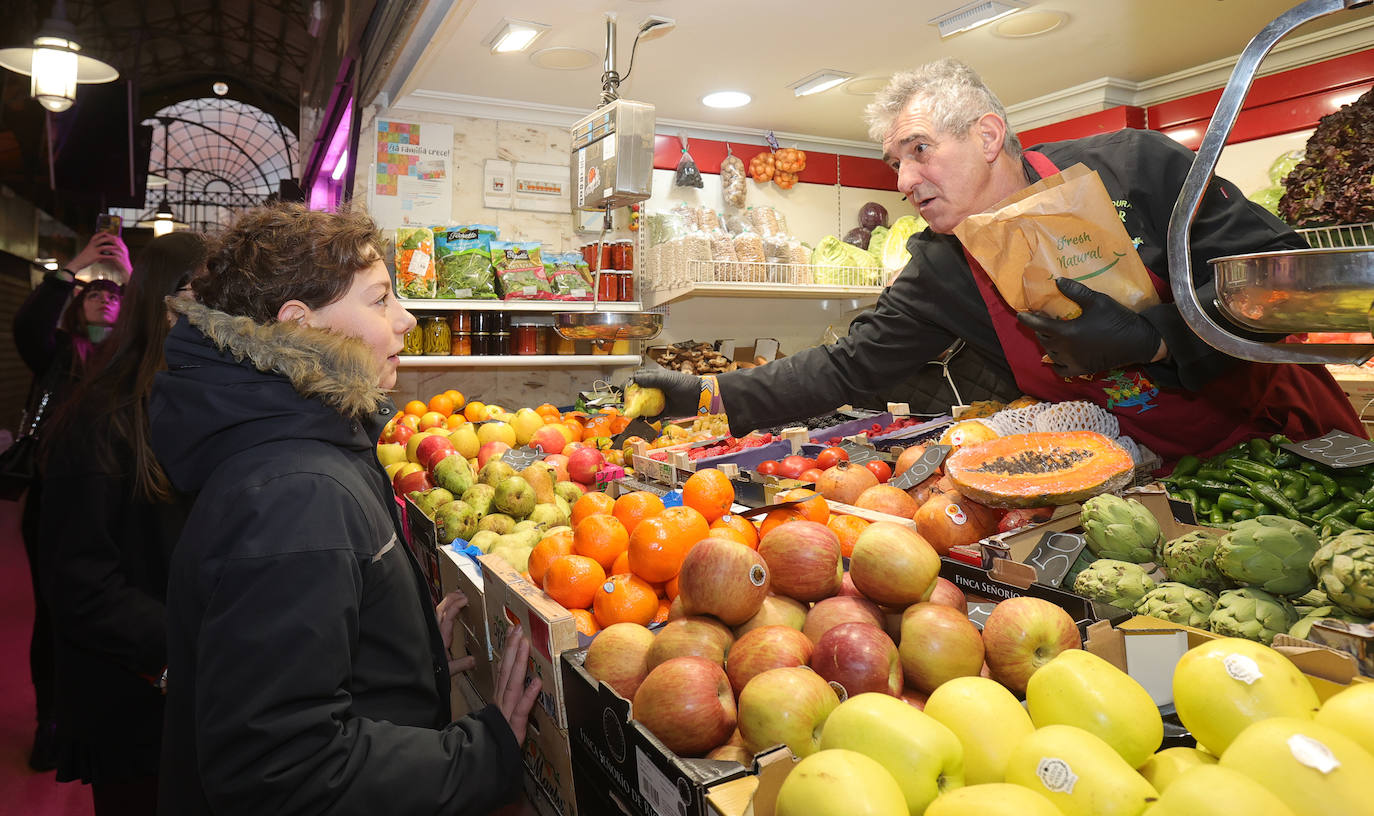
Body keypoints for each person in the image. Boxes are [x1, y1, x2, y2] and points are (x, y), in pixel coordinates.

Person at [633, 59, 1362, 462]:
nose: (904, 181)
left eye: (919, 151)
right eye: (894, 162)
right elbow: (850, 367)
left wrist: (1159, 336)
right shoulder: (943, 265)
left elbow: (1282, 277)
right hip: (1151, 472)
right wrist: (706, 398)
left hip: (1289, 442)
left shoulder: (1137, 168)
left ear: (987, 136)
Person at [149, 203, 540, 815]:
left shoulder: (304, 439)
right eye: (380, 299)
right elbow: (280, 768)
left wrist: (397, 648)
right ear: (302, 326)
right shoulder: (295, 491)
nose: (406, 319)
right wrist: (482, 754)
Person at [37, 231, 205, 814]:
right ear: (167, 303)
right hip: (136, 700)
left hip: (193, 691)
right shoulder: (102, 419)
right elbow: (80, 584)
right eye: (206, 298)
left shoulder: (198, 402)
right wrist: (190, 647)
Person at [11, 230, 131, 772]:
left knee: (112, 606)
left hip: (122, 503)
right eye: (93, 292)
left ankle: (97, 714)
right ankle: (51, 722)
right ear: (76, 307)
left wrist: (131, 278)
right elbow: (29, 324)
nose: (104, 297)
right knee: (55, 612)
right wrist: (75, 266)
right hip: (55, 505)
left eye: (115, 294)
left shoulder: (135, 359)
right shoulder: (59, 354)